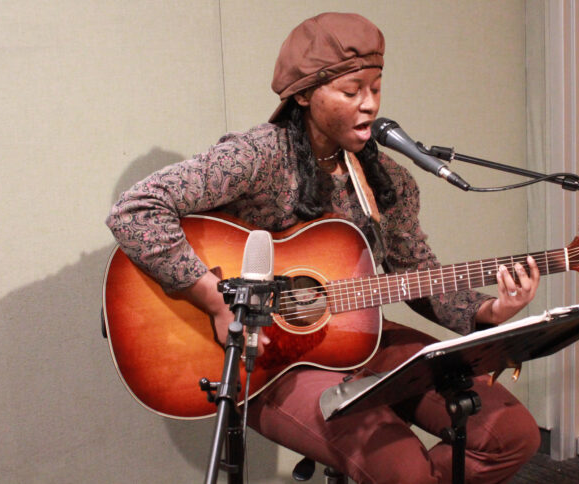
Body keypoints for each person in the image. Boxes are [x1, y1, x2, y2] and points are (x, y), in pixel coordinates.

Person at [107, 12, 541, 483]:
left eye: (376, 88)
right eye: (352, 92)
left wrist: (491, 310)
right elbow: (136, 211)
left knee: (512, 433)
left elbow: (418, 274)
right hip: (267, 355)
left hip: (358, 334)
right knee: (402, 470)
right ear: (304, 94)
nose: (370, 105)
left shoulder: (387, 179)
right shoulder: (256, 156)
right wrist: (212, 298)